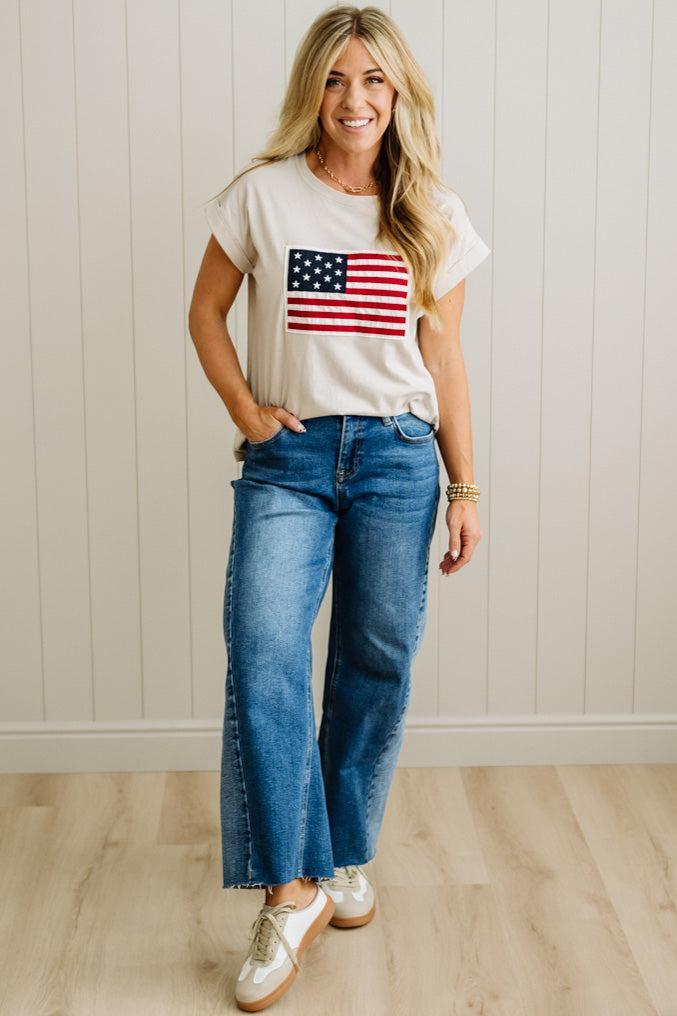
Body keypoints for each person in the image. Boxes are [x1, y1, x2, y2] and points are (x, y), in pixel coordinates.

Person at [188, 5, 491, 1010]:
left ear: (396, 92)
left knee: (374, 657)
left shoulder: (430, 209)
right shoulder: (260, 196)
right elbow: (205, 308)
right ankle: (289, 888)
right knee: (264, 645)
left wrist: (464, 485)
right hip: (291, 456)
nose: (353, 98)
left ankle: (342, 853)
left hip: (400, 457)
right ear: (310, 91)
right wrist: (244, 408)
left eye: (371, 79)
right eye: (333, 80)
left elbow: (441, 353)